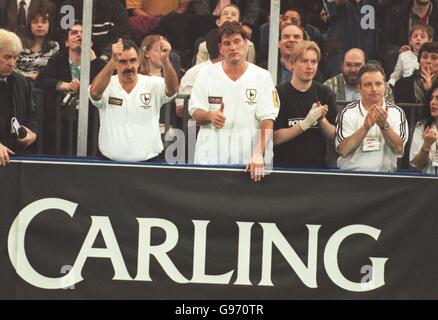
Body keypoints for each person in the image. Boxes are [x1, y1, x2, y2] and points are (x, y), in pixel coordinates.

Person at [189, 22, 279, 182]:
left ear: (246, 44)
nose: (233, 47)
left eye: (237, 41)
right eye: (227, 43)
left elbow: (267, 121)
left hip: (248, 163)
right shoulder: (205, 74)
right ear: (220, 48)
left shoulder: (262, 77)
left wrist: (258, 153)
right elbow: (195, 113)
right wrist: (210, 116)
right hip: (210, 160)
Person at [89, 38, 179, 162]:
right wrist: (113, 60)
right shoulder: (107, 85)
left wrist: (165, 60)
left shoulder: (152, 83)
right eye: (122, 62)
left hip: (149, 162)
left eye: (133, 60)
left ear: (138, 62)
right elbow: (94, 93)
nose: (129, 66)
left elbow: (173, 89)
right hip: (110, 163)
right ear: (115, 64)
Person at [36, 22, 106, 155]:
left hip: (91, 124)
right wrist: (64, 85)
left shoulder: (99, 64)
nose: (79, 35)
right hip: (61, 125)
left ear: (91, 43)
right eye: (74, 33)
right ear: (67, 42)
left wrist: (94, 61)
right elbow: (41, 80)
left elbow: (107, 83)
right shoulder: (58, 60)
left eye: (83, 33)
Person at [273, 40, 337, 169]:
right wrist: (305, 123)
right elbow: (275, 137)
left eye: (314, 62)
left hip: (318, 168)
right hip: (284, 168)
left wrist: (322, 120)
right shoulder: (279, 93)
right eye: (304, 61)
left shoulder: (325, 92)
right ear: (292, 64)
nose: (310, 66)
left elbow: (333, 135)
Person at [336, 64, 409, 172]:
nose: (374, 89)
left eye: (378, 84)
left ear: (385, 86)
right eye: (368, 84)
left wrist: (384, 126)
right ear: (359, 88)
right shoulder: (347, 112)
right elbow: (343, 150)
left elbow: (399, 149)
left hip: (385, 179)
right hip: (351, 178)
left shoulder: (397, 112)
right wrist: (365, 127)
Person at [0, 28, 37, 166]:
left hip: (14, 158)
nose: (13, 64)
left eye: (15, 58)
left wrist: (33, 134)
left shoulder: (21, 82)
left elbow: (30, 116)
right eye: (7, 57)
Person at [16, 8, 59, 81]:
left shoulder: (54, 46)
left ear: (49, 25)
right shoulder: (19, 44)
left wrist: (37, 77)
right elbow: (11, 67)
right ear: (30, 25)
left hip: (44, 85)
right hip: (20, 83)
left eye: (44, 22)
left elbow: (55, 72)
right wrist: (26, 75)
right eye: (35, 22)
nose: (39, 25)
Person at [409, 82, 438, 174]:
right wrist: (426, 145)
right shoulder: (422, 126)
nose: (433, 102)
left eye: (437, 98)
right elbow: (417, 165)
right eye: (431, 98)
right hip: (428, 184)